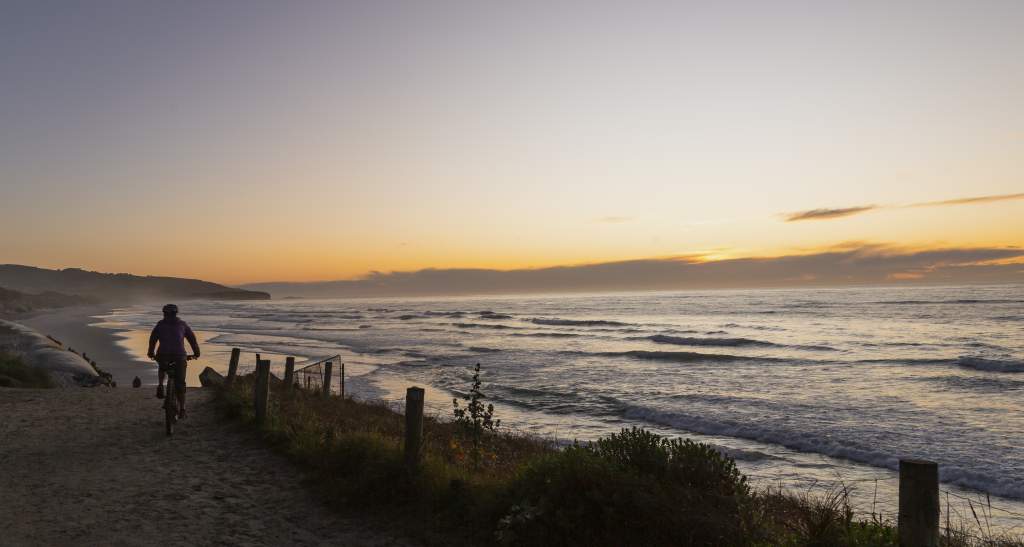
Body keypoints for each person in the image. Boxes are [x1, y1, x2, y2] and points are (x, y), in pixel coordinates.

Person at [147, 304, 200, 418]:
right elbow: (193, 341)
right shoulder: (182, 325)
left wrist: (151, 353)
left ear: (164, 314)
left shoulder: (160, 325)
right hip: (179, 356)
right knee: (180, 384)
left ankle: (161, 384)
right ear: (176, 314)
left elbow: (152, 340)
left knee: (162, 365)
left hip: (163, 355)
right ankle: (182, 409)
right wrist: (196, 353)